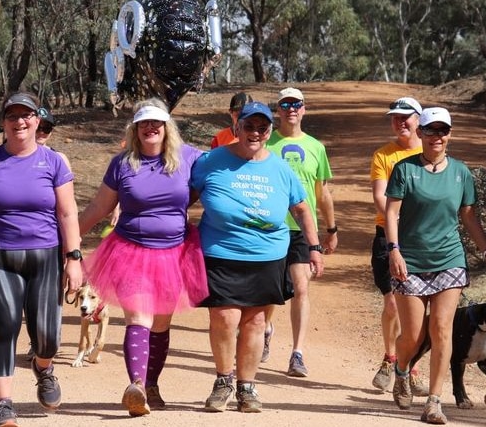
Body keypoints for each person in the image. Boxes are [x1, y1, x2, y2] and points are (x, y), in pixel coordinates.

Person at [0, 92, 84, 426]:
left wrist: (73, 258)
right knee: (6, 325)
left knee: (48, 336)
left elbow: (67, 212)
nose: (19, 122)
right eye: (12, 116)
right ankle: (4, 404)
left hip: (45, 256)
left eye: (26, 115)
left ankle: (43, 368)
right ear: (4, 123)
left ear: (37, 120)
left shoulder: (53, 162)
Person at [78, 97, 209, 417]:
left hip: (174, 253)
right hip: (129, 251)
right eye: (143, 122)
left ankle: (151, 384)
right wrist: (67, 239)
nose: (150, 127)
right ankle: (135, 385)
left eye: (157, 122)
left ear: (167, 127)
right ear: (135, 129)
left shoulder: (190, 157)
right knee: (138, 318)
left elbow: (220, 180)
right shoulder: (122, 163)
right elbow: (99, 207)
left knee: (161, 324)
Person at [191, 101, 324, 413]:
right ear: (237, 128)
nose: (254, 132)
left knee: (256, 320)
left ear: (269, 132)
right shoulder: (211, 161)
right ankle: (224, 379)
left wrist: (315, 248)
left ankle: (247, 386)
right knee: (224, 317)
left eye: (261, 128)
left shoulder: (280, 167)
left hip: (268, 255)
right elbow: (185, 197)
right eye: (248, 126)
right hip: (221, 251)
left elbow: (302, 209)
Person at [385, 107, 486, 424]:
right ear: (420, 134)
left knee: (442, 329)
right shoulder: (404, 169)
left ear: (449, 134)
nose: (437, 137)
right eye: (431, 131)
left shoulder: (460, 172)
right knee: (413, 337)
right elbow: (391, 213)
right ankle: (402, 370)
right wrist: (394, 251)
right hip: (411, 261)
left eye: (443, 131)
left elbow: (468, 217)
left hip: (449, 260)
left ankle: (434, 401)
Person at [263, 87, 337, 377]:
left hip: (302, 229)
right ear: (278, 110)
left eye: (297, 104)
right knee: (270, 292)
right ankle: (266, 328)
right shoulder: (266, 143)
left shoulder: (316, 147)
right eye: (286, 104)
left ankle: (297, 353)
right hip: (271, 226)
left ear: (304, 109)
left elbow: (323, 193)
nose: (291, 109)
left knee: (301, 288)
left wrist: (331, 229)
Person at [370, 97, 428, 397]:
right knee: (393, 302)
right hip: (387, 236)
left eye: (406, 117)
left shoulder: (430, 150)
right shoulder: (383, 155)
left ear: (419, 119)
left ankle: (410, 366)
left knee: (414, 307)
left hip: (422, 239)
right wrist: (400, 219)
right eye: (395, 118)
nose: (400, 122)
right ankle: (390, 357)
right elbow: (381, 197)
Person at [25, 106, 71, 361]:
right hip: (21, 241)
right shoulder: (11, 157)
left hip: (52, 237)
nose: (42, 132)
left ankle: (46, 342)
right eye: (39, 126)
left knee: (52, 294)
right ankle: (36, 338)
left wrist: (70, 246)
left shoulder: (59, 159)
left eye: (47, 128)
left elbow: (68, 208)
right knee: (28, 296)